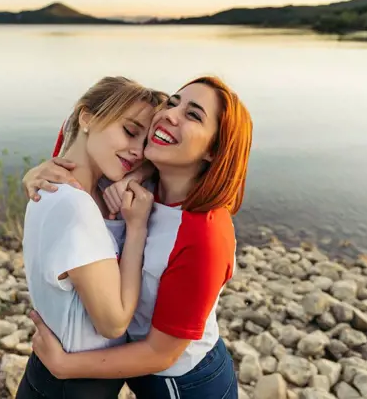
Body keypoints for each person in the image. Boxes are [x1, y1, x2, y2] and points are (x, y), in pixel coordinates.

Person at [22, 76, 253, 399]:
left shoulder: (205, 234)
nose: (172, 114)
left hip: (181, 383)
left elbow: (162, 353)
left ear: (214, 150)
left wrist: (65, 367)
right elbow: (78, 144)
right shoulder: (135, 177)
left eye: (193, 115)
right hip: (126, 367)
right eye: (173, 102)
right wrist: (36, 174)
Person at [16, 76, 168, 399]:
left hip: (50, 373)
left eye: (145, 144)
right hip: (74, 385)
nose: (137, 151)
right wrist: (137, 228)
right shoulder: (76, 206)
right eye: (129, 131)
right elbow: (113, 323)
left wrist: (138, 173)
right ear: (87, 117)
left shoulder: (63, 186)